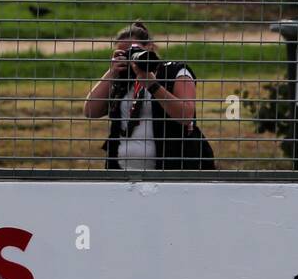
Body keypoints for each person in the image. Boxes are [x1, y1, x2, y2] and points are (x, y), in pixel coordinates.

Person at [83, 21, 214, 170]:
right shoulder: (122, 79)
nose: (131, 58)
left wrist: (152, 85)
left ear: (149, 47)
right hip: (122, 170)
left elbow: (186, 115)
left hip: (171, 169)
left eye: (135, 52)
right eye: (124, 54)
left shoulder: (174, 72)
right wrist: (111, 72)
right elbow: (90, 111)